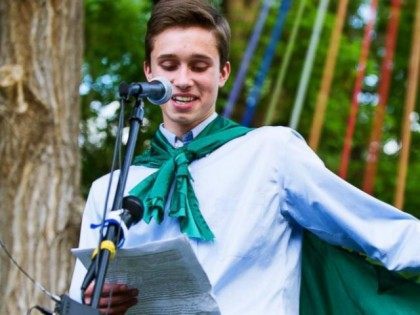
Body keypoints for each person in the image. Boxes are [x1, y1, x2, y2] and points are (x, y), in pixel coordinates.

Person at [70, 0, 420, 314]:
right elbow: (79, 299)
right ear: (149, 72)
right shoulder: (110, 191)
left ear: (222, 72)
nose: (182, 79)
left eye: (199, 65)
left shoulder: (271, 153)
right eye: (169, 64)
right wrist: (95, 304)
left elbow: (378, 230)